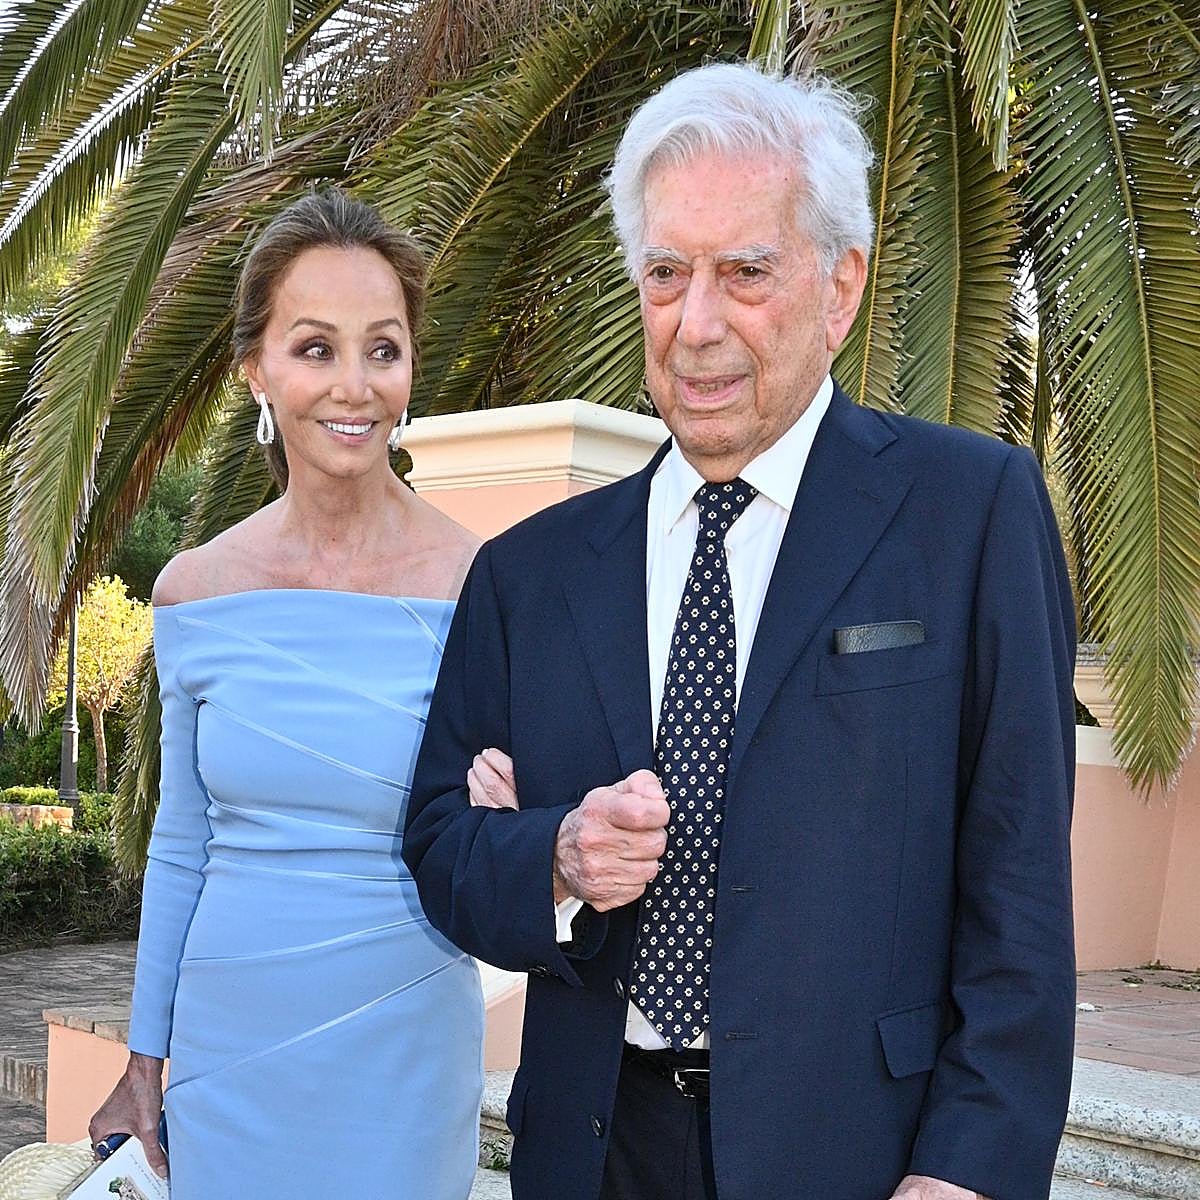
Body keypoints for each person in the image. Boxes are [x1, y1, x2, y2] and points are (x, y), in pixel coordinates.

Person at [404, 63, 1077, 1200]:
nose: (697, 322)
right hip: (591, 1152)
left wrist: (967, 1171)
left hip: (864, 1160)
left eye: (745, 273)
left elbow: (1019, 896)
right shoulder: (530, 572)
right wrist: (555, 855)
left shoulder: (971, 515)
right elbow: (438, 847)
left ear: (840, 287)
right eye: (667, 273)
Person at [88, 189, 511, 1199]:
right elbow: (184, 840)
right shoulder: (195, 591)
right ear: (257, 369)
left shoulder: (484, 585)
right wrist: (146, 1057)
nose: (354, 386)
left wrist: (520, 824)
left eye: (384, 349)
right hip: (231, 1056)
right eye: (316, 348)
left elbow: (510, 829)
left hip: (406, 1045)